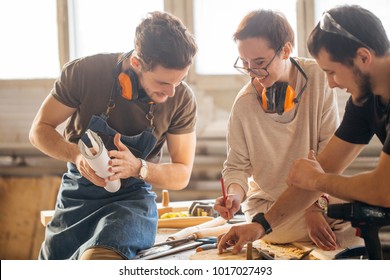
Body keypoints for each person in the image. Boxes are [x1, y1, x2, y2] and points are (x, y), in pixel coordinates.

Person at [218, 4, 390, 255]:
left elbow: (382, 189)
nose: (330, 83)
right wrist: (260, 226)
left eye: (331, 72)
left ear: (363, 58)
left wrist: (317, 181)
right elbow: (327, 165)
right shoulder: (364, 100)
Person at [29, 11, 198, 260]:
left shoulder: (181, 99)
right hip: (79, 194)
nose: (172, 92)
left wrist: (139, 168)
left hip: (131, 202)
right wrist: (77, 155)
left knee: (97, 262)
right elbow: (39, 130)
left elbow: (182, 173)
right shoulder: (85, 72)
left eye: (180, 81)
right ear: (137, 63)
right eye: (163, 83)